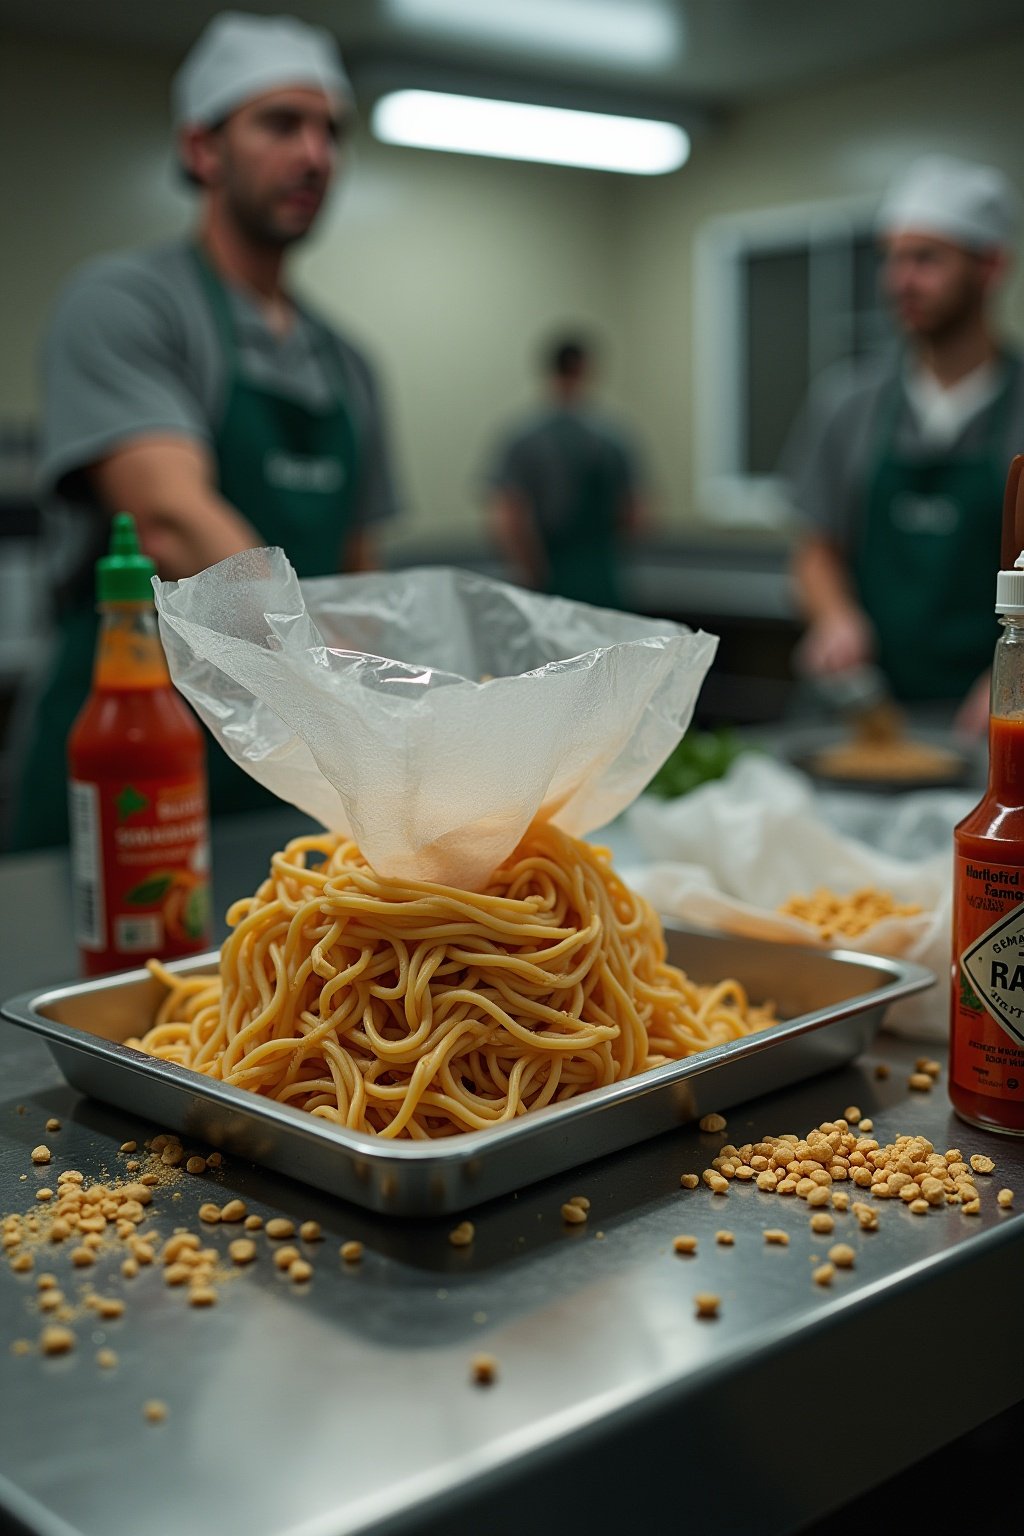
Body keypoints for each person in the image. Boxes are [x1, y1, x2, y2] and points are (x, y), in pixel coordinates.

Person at [11, 11, 400, 850]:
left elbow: (360, 576)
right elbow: (170, 519)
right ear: (202, 150)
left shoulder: (349, 364)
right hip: (135, 773)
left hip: (295, 785)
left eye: (331, 130)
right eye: (280, 123)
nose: (315, 154)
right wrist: (329, 680)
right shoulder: (126, 305)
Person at [784, 155, 1024, 731]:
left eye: (926, 259)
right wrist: (836, 618)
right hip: (865, 710)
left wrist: (1014, 674)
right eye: (891, 257)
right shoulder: (849, 402)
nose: (900, 280)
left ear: (990, 267)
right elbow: (816, 546)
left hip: (992, 717)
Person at [484, 336, 647, 610]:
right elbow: (637, 515)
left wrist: (529, 573)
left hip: (550, 582)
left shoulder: (524, 440)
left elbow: (507, 519)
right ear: (587, 371)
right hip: (602, 578)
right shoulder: (613, 439)